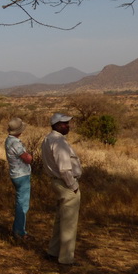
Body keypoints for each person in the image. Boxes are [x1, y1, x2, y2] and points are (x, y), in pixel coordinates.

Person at [41, 113, 83, 265]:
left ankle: (53, 252)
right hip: (65, 184)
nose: (68, 126)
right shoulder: (58, 142)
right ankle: (66, 259)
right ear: (57, 125)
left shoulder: (47, 139)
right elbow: (65, 170)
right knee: (69, 223)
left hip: (57, 182)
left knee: (60, 219)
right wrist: (74, 187)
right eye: (65, 123)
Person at [5, 117, 33, 240]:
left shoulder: (9, 140)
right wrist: (30, 155)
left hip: (15, 174)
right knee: (22, 205)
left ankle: (18, 230)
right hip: (22, 175)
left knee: (20, 202)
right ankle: (19, 232)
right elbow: (27, 159)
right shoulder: (16, 143)